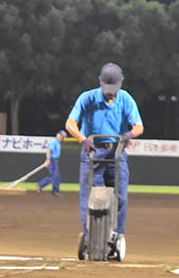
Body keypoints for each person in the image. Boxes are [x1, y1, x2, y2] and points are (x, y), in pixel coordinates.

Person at [65, 62, 143, 257]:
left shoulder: (125, 99)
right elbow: (70, 123)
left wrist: (128, 136)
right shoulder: (87, 98)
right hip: (92, 152)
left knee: (120, 197)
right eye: (107, 89)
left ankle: (115, 237)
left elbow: (139, 126)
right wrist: (82, 139)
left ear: (121, 83)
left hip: (116, 152)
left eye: (114, 88)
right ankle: (91, 239)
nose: (110, 93)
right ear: (100, 82)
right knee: (90, 198)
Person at [36, 130, 67, 196]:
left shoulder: (58, 142)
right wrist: (47, 160)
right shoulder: (54, 141)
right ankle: (44, 186)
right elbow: (49, 150)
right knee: (55, 176)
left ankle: (54, 190)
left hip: (55, 160)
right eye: (61, 136)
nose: (62, 138)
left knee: (56, 176)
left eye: (63, 137)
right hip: (52, 159)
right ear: (58, 135)